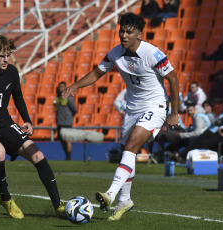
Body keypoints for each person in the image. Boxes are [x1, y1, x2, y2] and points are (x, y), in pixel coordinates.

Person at [62, 12, 179, 221]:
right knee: (128, 152)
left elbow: (174, 79)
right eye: (121, 31)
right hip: (132, 108)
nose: (124, 35)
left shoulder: (152, 53)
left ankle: (111, 193)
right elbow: (97, 73)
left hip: (156, 105)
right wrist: (75, 86)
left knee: (133, 144)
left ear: (139, 34)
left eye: (129, 31)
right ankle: (125, 201)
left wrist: (174, 113)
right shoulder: (116, 53)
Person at [0, 35, 65, 219]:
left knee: (38, 155)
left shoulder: (12, 72)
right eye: (1, 56)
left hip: (5, 122)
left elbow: (18, 96)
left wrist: (27, 119)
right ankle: (6, 199)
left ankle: (58, 206)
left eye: (8, 55)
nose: (6, 59)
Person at [54, 81, 76, 160]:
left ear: (65, 88)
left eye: (62, 87)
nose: (61, 88)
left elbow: (74, 109)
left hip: (67, 122)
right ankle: (67, 155)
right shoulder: (58, 98)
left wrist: (68, 117)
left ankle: (69, 157)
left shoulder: (69, 98)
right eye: (60, 87)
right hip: (59, 122)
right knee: (62, 140)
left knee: (67, 139)